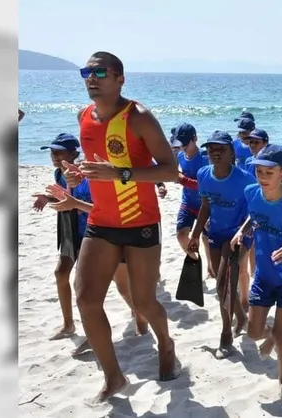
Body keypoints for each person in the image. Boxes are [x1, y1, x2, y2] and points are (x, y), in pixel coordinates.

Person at [61, 51, 179, 402]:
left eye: (100, 71)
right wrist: (76, 173)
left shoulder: (138, 117)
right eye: (87, 71)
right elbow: (95, 165)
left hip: (140, 222)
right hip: (101, 221)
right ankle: (114, 376)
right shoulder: (85, 116)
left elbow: (170, 170)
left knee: (143, 302)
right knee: (86, 298)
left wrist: (121, 175)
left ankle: (166, 342)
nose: (91, 78)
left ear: (120, 79)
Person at [32, 133, 146, 342]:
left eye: (60, 152)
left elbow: (102, 210)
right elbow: (66, 198)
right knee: (62, 274)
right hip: (73, 233)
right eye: (52, 152)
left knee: (122, 286)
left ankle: (140, 316)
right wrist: (47, 197)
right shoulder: (60, 174)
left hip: (101, 235)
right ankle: (69, 325)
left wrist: (74, 203)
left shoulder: (90, 178)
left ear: (75, 154)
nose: (55, 157)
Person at [232, 144, 282, 397]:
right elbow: (254, 217)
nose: (263, 178)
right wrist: (241, 230)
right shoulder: (251, 192)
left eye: (269, 172)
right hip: (263, 276)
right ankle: (274, 337)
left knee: (280, 332)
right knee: (254, 333)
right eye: (259, 172)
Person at [189, 131, 256, 354]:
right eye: (211, 149)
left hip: (239, 236)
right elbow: (205, 208)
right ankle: (242, 318)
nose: (215, 153)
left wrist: (241, 233)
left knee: (222, 286)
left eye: (221, 149)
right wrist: (195, 235)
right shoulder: (203, 174)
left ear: (232, 152)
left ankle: (226, 335)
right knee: (224, 285)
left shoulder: (245, 179)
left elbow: (255, 211)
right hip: (215, 234)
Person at [170, 123, 213, 276]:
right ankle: (195, 260)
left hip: (206, 205)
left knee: (206, 239)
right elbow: (175, 173)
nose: (181, 146)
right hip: (188, 202)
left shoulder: (204, 158)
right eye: (179, 143)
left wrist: (183, 180)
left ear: (195, 138)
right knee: (181, 235)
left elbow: (207, 186)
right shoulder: (180, 155)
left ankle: (210, 266)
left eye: (184, 143)